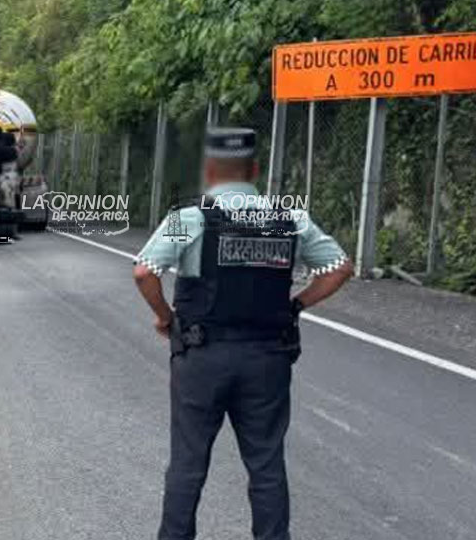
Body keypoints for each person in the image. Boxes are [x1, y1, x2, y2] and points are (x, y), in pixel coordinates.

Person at [132, 127, 352, 540]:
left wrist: (165, 317)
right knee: (266, 465)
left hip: (201, 357)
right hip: (268, 359)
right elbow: (340, 268)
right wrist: (297, 305)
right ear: (254, 169)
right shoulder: (288, 219)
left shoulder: (189, 216)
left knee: (188, 464)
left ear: (210, 171)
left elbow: (145, 271)